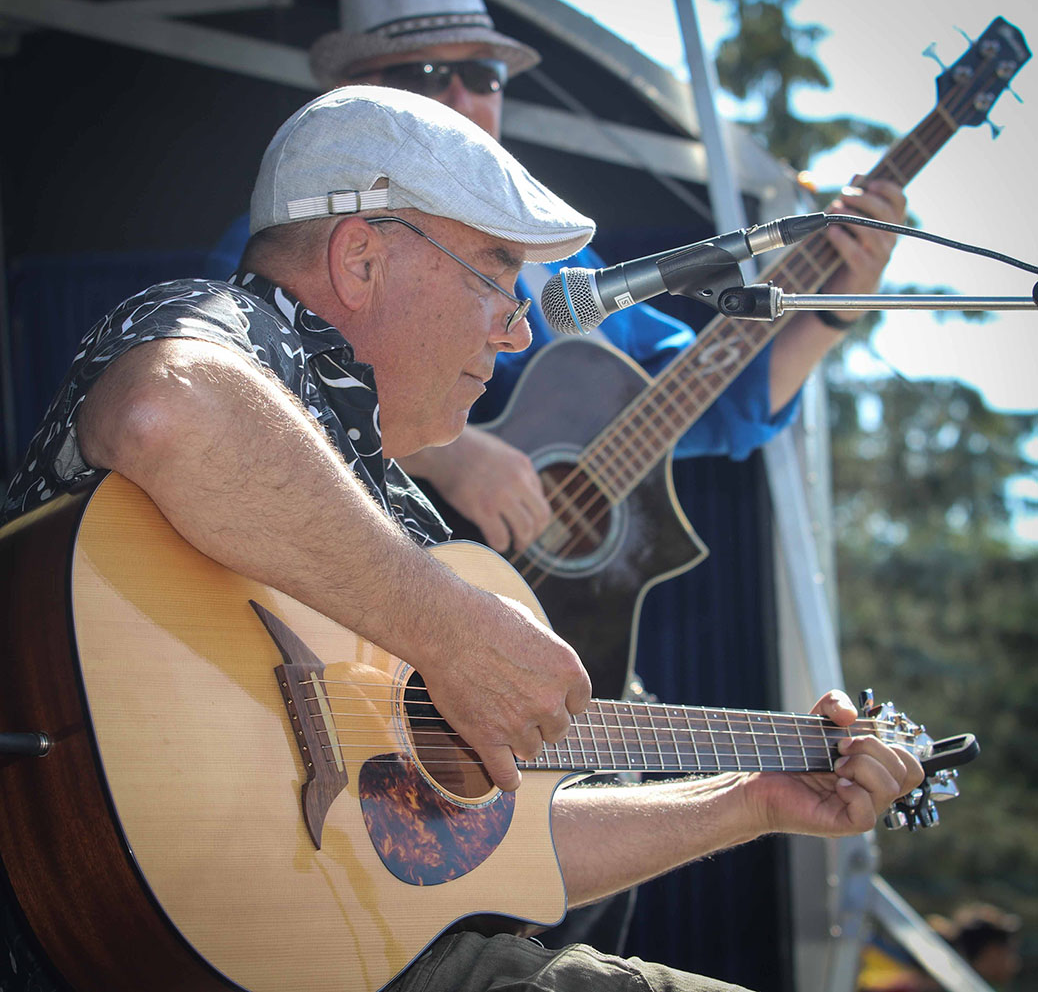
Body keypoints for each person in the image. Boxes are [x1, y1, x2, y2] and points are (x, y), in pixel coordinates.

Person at [1, 85, 922, 992]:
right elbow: (167, 409)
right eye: (496, 275)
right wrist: (451, 628)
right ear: (361, 259)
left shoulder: (403, 515)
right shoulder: (229, 330)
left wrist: (753, 797)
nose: (519, 325)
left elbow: (502, 849)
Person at [289, 0, 907, 557]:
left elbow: (716, 404)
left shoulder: (565, 267)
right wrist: (448, 457)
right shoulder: (299, 232)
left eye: (483, 76)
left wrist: (835, 308)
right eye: (421, 74)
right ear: (354, 92)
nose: (460, 97)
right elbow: (256, 383)